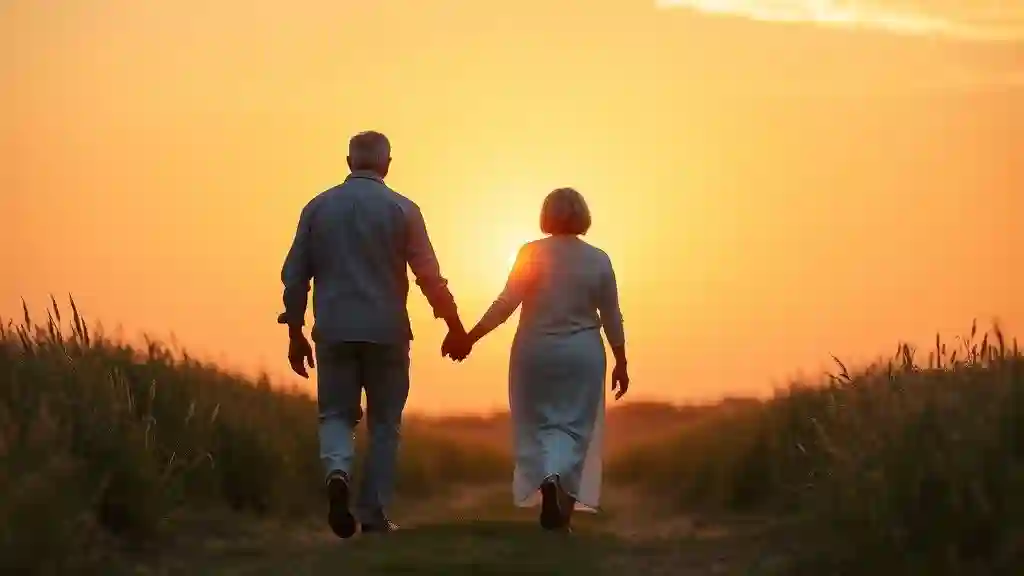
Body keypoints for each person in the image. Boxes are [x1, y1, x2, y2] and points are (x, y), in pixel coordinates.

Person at [278, 130, 469, 538]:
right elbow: (429, 277)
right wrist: (454, 326)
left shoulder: (318, 207)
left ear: (349, 163)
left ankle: (337, 473)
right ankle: (373, 515)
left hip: (333, 330)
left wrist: (295, 331)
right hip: (387, 333)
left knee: (335, 414)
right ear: (387, 164)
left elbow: (295, 277)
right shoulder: (403, 209)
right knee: (384, 424)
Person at [447, 187, 629, 532]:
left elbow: (505, 305)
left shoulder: (530, 253)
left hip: (535, 353)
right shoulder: (599, 258)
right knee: (576, 430)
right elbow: (612, 315)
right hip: (583, 354)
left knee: (538, 427)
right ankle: (563, 511)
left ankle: (548, 478)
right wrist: (621, 360)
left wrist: (470, 336)